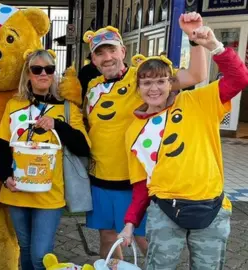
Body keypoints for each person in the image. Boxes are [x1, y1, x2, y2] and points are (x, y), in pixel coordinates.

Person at [118, 25, 248, 270]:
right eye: (146, 83)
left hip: (211, 209)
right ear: (138, 88)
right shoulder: (133, 131)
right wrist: (130, 223)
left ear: (172, 83)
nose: (153, 88)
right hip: (165, 211)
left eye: (160, 81)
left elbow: (239, 79)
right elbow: (141, 184)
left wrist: (214, 46)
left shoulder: (197, 101)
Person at [81, 12, 208, 259]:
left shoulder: (141, 77)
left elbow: (195, 76)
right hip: (100, 178)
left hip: (135, 178)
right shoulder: (93, 87)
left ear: (122, 52)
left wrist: (194, 40)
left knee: (141, 237)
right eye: (100, 53)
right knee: (108, 237)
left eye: (112, 51)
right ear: (94, 60)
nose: (107, 57)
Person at [0, 49, 90, 270]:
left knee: (40, 255)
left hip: (50, 193)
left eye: (49, 69)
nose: (43, 74)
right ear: (28, 74)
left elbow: (83, 147)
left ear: (54, 73)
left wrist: (57, 124)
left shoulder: (67, 108)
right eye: (36, 69)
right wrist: (4, 177)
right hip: (17, 190)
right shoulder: (14, 105)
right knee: (25, 249)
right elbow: (1, 146)